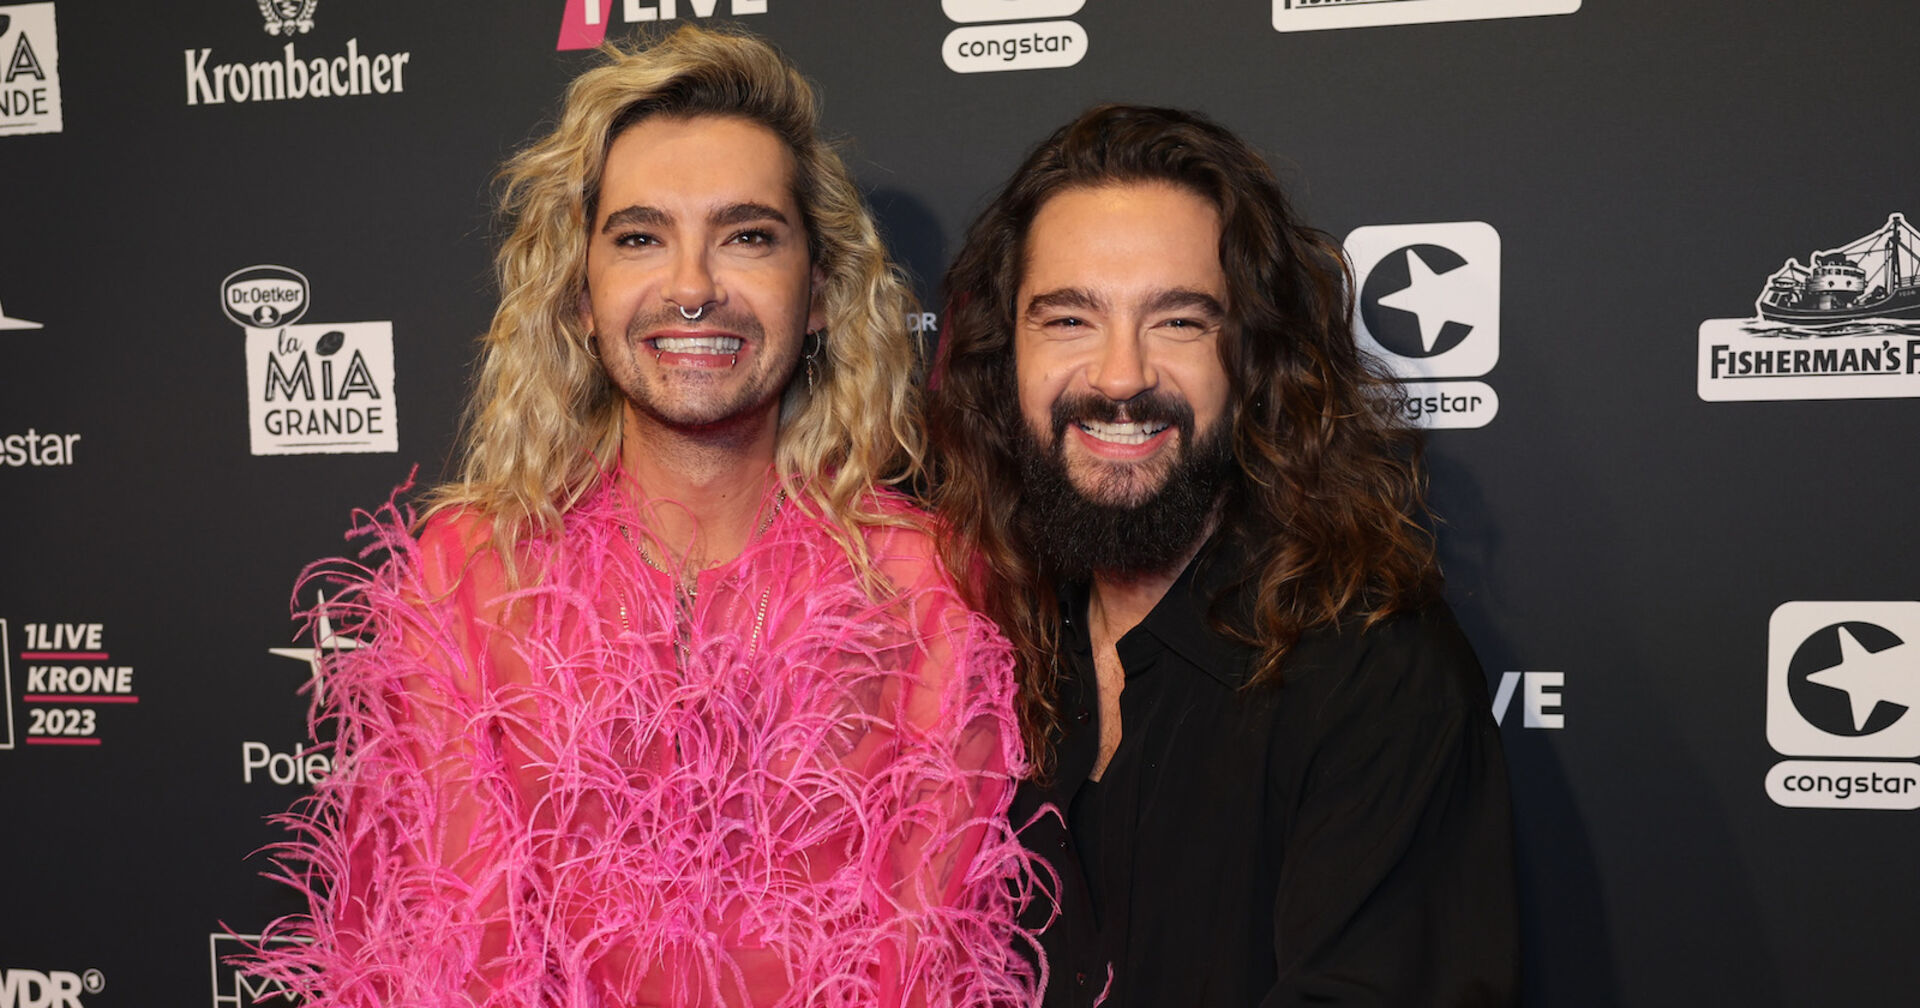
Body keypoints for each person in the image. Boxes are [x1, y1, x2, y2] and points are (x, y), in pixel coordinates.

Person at [248, 26, 1040, 1008]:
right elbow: (437, 962)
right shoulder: (469, 574)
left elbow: (930, 967)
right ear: (581, 297)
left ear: (821, 292)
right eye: (639, 238)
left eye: (747, 236)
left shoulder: (927, 585)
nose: (693, 287)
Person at [928, 104, 1518, 1006]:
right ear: (1004, 357)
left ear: (1255, 361)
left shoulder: (1376, 679)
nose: (1120, 376)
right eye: (1069, 320)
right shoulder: (983, 644)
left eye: (1178, 322)